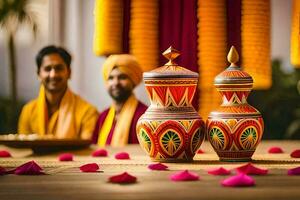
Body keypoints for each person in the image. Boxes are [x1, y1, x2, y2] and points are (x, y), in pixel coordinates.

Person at [18, 45, 98, 140]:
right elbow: (24, 149)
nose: (53, 75)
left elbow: (87, 150)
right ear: (38, 74)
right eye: (47, 69)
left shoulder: (87, 112)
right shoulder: (28, 111)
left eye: (59, 68)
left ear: (69, 73)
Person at [92, 54, 147, 147]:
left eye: (122, 77)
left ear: (133, 81)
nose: (115, 83)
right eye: (111, 78)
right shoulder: (103, 116)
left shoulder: (144, 116)